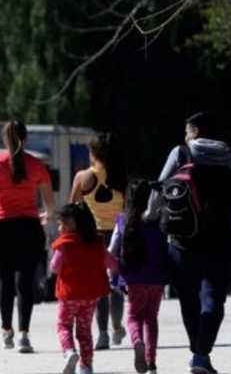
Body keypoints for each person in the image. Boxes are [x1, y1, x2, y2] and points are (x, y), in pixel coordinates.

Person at [157, 111, 231, 374]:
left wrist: (149, 218)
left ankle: (198, 351)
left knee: (188, 299)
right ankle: (201, 354)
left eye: (187, 131)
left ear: (195, 132)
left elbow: (160, 189)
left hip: (182, 241)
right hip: (220, 242)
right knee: (214, 299)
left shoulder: (181, 153)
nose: (185, 136)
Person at [0, 120, 56, 353]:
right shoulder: (38, 165)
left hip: (1, 229)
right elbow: (50, 202)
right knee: (25, 283)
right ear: (26, 138)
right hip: (29, 228)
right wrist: (49, 220)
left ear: (4, 139)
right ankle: (24, 335)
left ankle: (6, 332)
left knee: (6, 282)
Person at [68, 133, 126, 350]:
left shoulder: (82, 177)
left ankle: (102, 334)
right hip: (118, 236)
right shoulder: (121, 177)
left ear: (93, 153)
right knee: (116, 284)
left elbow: (72, 208)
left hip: (94, 238)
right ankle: (117, 328)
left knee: (99, 287)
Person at [108, 180, 169, 374]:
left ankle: (137, 342)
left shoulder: (123, 220)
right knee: (151, 318)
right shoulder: (159, 221)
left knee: (134, 316)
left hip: (133, 277)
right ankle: (151, 362)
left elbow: (112, 250)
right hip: (156, 277)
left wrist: (114, 274)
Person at [50, 202, 118, 374]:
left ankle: (69, 352)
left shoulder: (64, 245)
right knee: (84, 331)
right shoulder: (96, 243)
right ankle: (86, 366)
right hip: (90, 296)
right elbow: (112, 263)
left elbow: (54, 267)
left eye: (61, 224)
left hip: (69, 295)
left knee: (64, 326)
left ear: (71, 224)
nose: (59, 228)